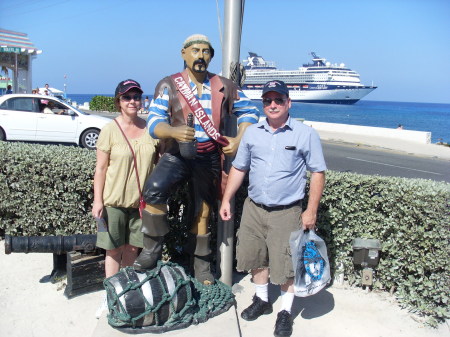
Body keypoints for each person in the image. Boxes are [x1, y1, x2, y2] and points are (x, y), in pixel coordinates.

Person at [133, 34, 259, 285]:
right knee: (154, 189)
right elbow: (154, 122)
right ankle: (152, 250)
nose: (200, 56)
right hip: (177, 154)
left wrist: (239, 138)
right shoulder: (168, 84)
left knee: (203, 209)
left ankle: (201, 264)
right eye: (195, 50)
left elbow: (250, 111)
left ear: (211, 56)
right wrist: (173, 131)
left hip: (209, 156)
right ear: (183, 54)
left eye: (205, 51)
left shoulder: (225, 85)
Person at [219, 80, 326, 337]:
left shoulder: (305, 134)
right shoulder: (253, 133)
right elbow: (239, 168)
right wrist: (226, 199)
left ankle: (285, 312)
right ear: (263, 104)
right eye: (268, 100)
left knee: (286, 266)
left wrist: (311, 210)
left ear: (289, 103)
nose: (273, 105)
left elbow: (318, 173)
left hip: (286, 212)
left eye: (279, 100)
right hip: (254, 208)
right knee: (256, 258)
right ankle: (263, 301)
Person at [92, 79, 159, 315]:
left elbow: (160, 163)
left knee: (132, 249)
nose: (133, 101)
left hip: (141, 204)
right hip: (115, 202)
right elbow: (100, 168)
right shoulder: (110, 129)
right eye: (127, 97)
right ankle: (111, 296)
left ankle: (127, 290)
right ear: (118, 101)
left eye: (136, 96)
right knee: (113, 250)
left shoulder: (151, 127)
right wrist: (97, 200)